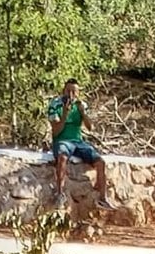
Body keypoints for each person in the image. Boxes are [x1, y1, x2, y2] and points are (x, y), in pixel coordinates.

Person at [47, 79, 110, 208]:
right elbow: (56, 131)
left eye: (74, 91)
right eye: (68, 91)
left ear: (78, 93)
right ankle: (60, 193)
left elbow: (90, 127)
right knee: (62, 157)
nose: (71, 94)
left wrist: (83, 113)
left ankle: (102, 197)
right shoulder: (55, 105)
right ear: (63, 91)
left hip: (78, 141)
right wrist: (65, 114)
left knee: (100, 162)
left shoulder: (81, 105)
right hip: (62, 140)